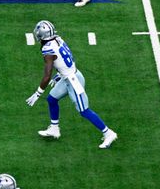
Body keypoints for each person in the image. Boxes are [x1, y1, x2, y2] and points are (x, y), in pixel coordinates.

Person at [26, 20, 118, 149]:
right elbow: (65, 59)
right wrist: (59, 75)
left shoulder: (48, 49)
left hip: (73, 81)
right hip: (69, 76)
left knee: (84, 111)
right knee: (52, 99)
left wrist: (38, 93)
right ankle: (54, 128)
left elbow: (47, 76)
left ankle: (109, 133)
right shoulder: (57, 39)